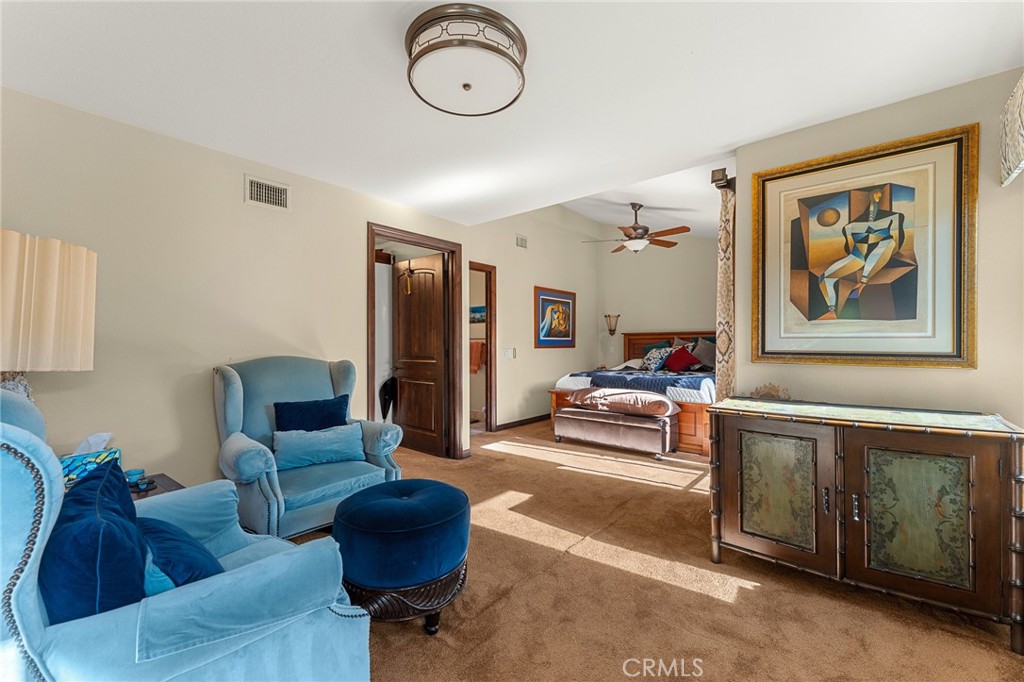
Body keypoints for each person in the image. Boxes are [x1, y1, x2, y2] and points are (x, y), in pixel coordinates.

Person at [816, 188, 905, 319]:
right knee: (824, 278)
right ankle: (831, 310)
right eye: (876, 194)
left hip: (880, 252)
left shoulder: (893, 218)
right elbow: (849, 249)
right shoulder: (850, 226)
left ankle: (863, 283)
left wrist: (864, 279)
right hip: (858, 257)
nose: (878, 197)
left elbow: (896, 243)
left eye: (880, 195)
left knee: (888, 243)